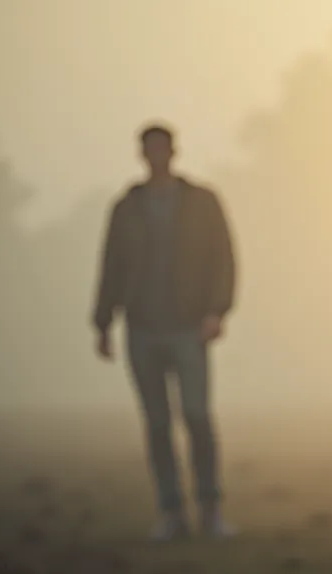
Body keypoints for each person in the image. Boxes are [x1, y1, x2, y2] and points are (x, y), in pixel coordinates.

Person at [91, 123, 238, 541]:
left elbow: (223, 258)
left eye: (162, 148)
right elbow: (111, 266)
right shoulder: (127, 208)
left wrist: (217, 310)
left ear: (174, 152)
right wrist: (103, 322)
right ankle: (172, 512)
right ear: (142, 154)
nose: (157, 155)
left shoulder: (202, 203)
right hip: (142, 326)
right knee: (157, 423)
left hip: (190, 325)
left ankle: (210, 508)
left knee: (196, 416)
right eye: (150, 149)